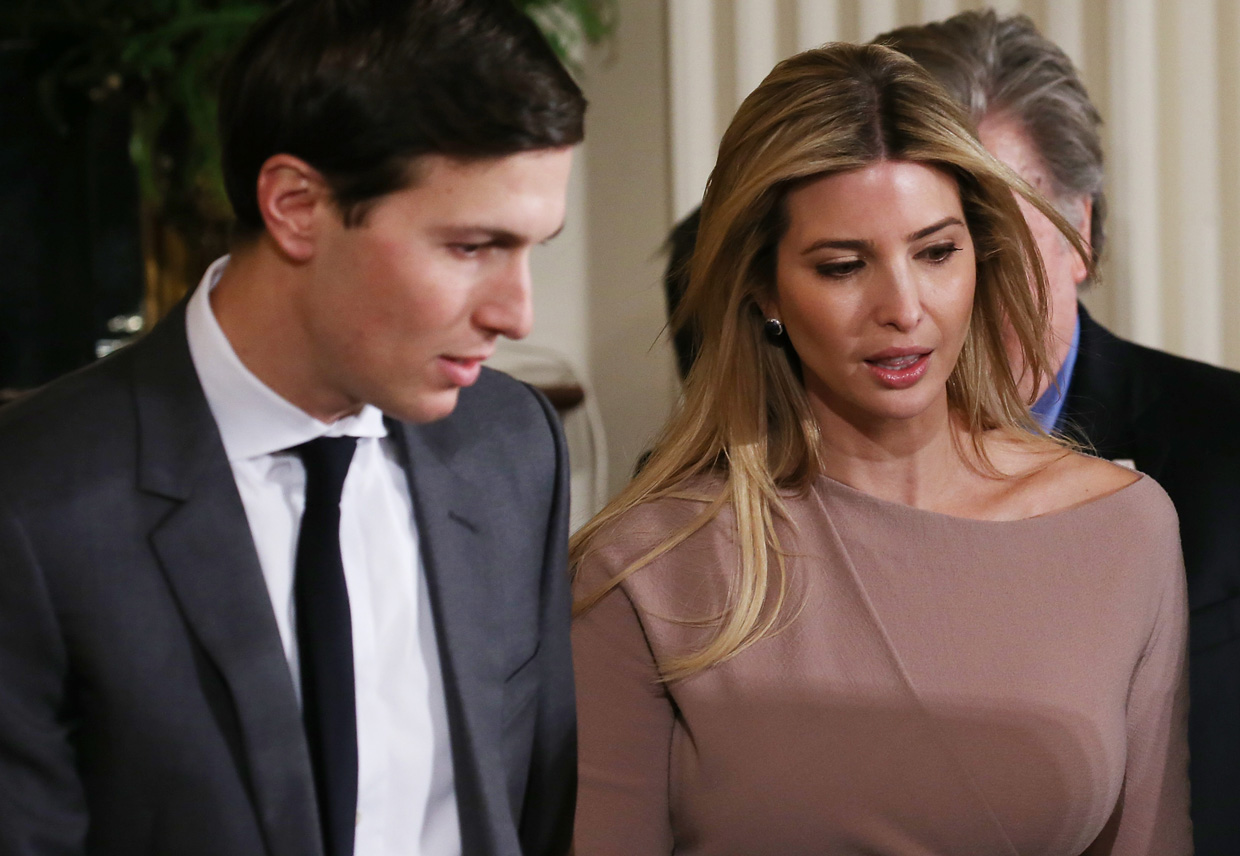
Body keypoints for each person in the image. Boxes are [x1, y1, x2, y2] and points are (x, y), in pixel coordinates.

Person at [571, 42, 1189, 854]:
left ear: (981, 256)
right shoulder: (648, 564)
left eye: (936, 252)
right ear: (763, 289)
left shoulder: (1122, 529)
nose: (903, 307)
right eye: (842, 266)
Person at [0, 1, 583, 854]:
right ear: (297, 205)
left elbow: (535, 811)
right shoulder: (36, 501)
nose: (517, 312)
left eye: (533, 248)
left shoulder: (511, 448)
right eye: (470, 247)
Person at [874, 13, 1240, 853]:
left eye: (986, 239)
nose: (937, 298)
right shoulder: (757, 487)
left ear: (1079, 228)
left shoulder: (1226, 451)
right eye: (926, 248)